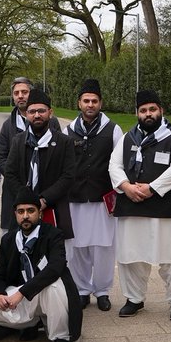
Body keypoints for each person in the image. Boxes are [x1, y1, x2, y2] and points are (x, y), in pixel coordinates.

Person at [109, 89, 171, 321]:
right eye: (143, 110)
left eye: (152, 109)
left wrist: (152, 187)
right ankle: (134, 299)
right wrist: (126, 186)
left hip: (169, 208)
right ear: (137, 113)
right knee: (131, 256)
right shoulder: (128, 138)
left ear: (161, 110)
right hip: (133, 205)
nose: (148, 114)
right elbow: (114, 164)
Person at [0, 187, 81, 342]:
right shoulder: (9, 240)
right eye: (21, 211)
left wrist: (21, 294)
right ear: (15, 214)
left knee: (54, 286)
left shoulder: (53, 235)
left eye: (30, 211)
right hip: (24, 294)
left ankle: (61, 338)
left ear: (40, 213)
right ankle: (31, 324)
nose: (25, 216)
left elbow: (55, 268)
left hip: (44, 290)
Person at [64, 78, 123, 310]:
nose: (90, 105)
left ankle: (102, 290)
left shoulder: (113, 129)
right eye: (86, 101)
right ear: (79, 103)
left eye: (94, 101)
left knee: (104, 248)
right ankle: (81, 289)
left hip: (103, 199)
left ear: (100, 103)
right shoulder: (68, 130)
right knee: (78, 247)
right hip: (75, 198)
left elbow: (120, 164)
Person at [2, 87, 77, 239]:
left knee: (56, 259)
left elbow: (68, 176)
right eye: (32, 111)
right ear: (27, 114)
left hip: (54, 210)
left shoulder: (64, 142)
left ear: (50, 112)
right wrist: (26, 201)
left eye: (41, 111)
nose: (37, 115)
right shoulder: (18, 141)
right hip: (23, 212)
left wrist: (43, 200)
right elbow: (10, 173)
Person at [0, 76, 62, 230]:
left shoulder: (52, 122)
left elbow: (59, 155)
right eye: (16, 93)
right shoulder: (8, 126)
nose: (20, 96)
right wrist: (19, 181)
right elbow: (0, 156)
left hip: (46, 193)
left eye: (24, 92)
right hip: (15, 192)